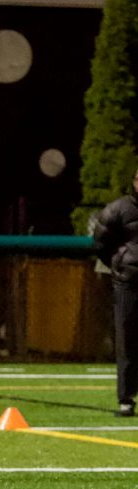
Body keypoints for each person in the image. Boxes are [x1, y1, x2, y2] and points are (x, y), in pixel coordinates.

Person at [93, 167, 138, 417]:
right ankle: (126, 399)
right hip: (128, 283)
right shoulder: (118, 209)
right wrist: (120, 266)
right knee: (127, 340)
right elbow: (100, 243)